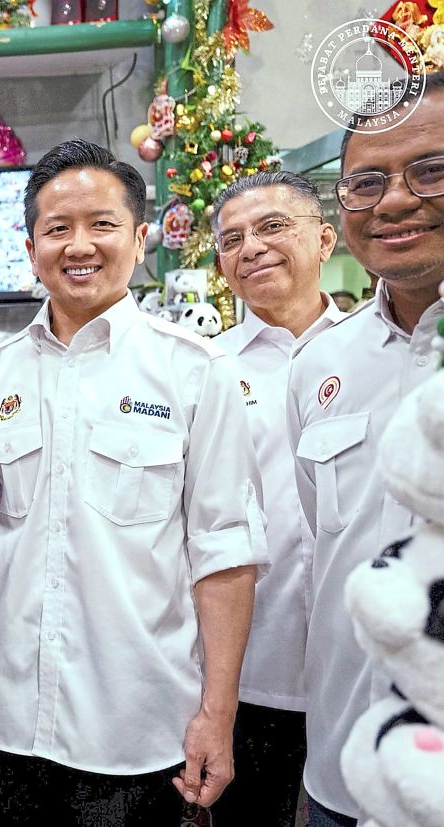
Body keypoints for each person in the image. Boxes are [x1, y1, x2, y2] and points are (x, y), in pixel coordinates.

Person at [0, 139, 266, 826]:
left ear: (140, 238)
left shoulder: (194, 372)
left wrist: (218, 711)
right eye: (57, 228)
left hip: (137, 725)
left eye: (102, 224)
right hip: (5, 719)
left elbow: (225, 553)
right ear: (31, 248)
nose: (78, 244)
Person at [287, 71, 444, 827]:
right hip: (344, 767)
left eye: (432, 170)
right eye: (367, 181)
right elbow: (328, 543)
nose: (395, 200)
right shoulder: (321, 364)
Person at [208, 171, 345, 827]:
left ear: (324, 239)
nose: (252, 248)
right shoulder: (205, 369)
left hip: (364, 664)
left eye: (271, 226)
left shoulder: (381, 352)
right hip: (250, 673)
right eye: (233, 239)